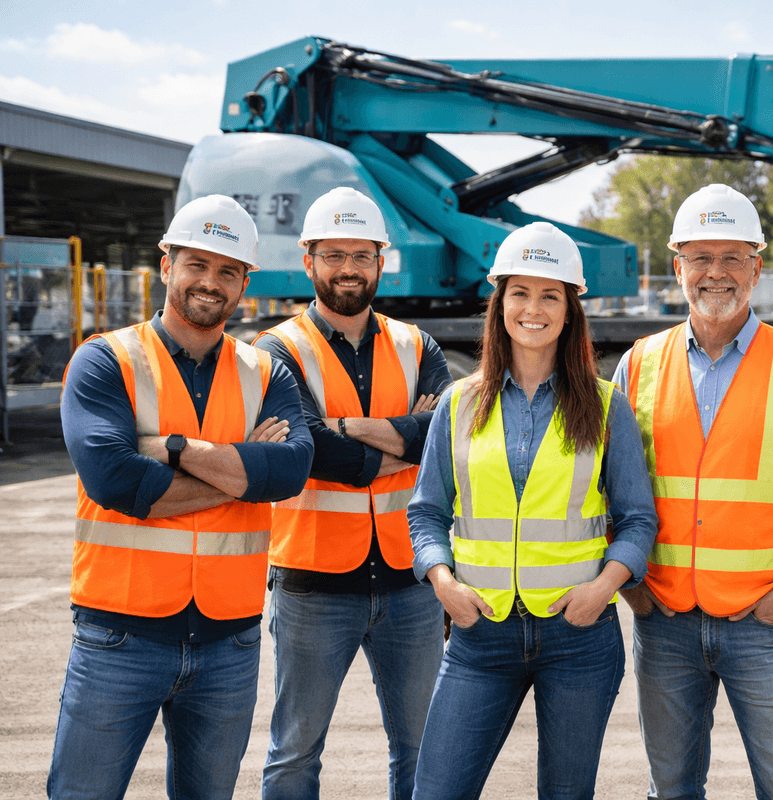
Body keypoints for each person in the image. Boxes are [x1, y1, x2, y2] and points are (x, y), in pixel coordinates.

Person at [51, 195, 313, 799]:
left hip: (230, 639)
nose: (210, 281)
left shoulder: (267, 373)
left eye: (228, 270)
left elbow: (289, 473)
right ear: (167, 265)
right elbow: (116, 482)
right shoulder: (105, 360)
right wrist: (240, 472)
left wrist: (171, 448)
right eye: (197, 264)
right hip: (119, 634)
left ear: (244, 283)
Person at [613, 184, 773, 800]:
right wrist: (633, 588)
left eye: (732, 258)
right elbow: (607, 493)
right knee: (671, 788)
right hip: (664, 621)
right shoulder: (638, 365)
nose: (715, 273)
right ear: (677, 267)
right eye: (700, 257)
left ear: (756, 267)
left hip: (764, 624)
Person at [408, 221, 657, 800]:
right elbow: (426, 512)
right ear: (500, 305)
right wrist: (442, 582)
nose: (533, 309)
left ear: (570, 311)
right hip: (479, 634)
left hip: (578, 635)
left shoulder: (606, 406)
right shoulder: (458, 403)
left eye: (550, 296)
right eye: (519, 293)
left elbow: (637, 519)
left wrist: (604, 589)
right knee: (437, 790)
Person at [255, 187, 452, 800]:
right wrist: (401, 441)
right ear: (308, 260)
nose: (349, 268)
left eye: (362, 255)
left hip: (411, 581)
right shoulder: (276, 350)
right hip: (312, 583)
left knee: (425, 748)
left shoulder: (417, 345)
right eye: (334, 255)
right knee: (294, 752)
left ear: (380, 262)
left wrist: (342, 427)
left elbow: (444, 438)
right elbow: (310, 451)